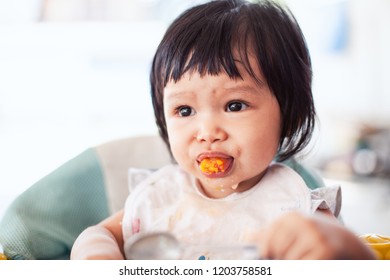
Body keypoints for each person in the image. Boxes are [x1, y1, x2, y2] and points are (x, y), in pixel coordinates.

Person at [70, 0, 376, 260]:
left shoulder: (296, 207)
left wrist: (345, 250)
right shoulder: (160, 197)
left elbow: (349, 261)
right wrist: (98, 257)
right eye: (184, 110)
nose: (207, 132)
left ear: (288, 114)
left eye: (234, 106)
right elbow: (97, 235)